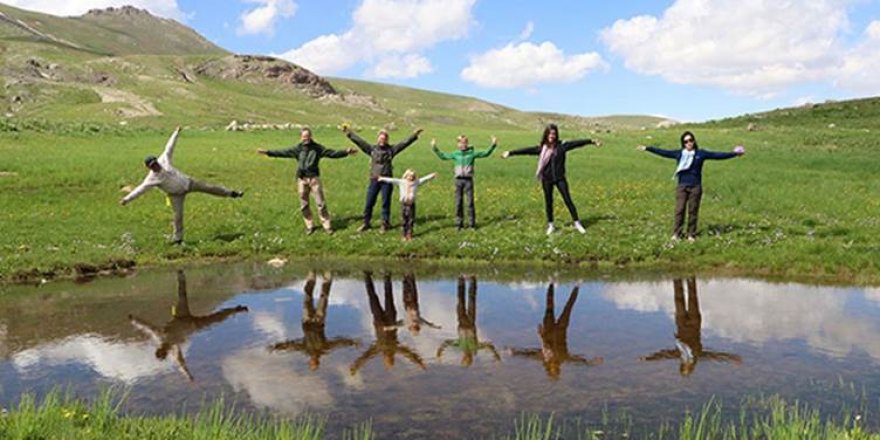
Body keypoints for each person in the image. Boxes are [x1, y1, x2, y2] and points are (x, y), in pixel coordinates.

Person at [120, 126, 243, 244]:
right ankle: (178, 239)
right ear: (149, 168)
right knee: (177, 216)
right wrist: (126, 199)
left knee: (210, 188)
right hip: (175, 195)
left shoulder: (164, 160)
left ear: (157, 161)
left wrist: (176, 132)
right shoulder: (152, 179)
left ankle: (231, 193)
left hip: (188, 183)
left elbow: (169, 146)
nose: (155, 166)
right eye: (152, 166)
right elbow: (140, 189)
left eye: (155, 163)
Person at [128, 270, 248, 381]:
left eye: (161, 351)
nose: (163, 350)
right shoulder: (174, 348)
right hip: (195, 326)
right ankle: (235, 310)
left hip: (181, 316)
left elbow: (147, 327)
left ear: (158, 349)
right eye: (163, 353)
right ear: (165, 354)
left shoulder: (160, 337)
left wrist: (134, 321)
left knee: (182, 297)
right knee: (216, 319)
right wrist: (187, 375)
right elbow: (180, 362)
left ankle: (181, 277)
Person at [638, 131, 745, 241]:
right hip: (682, 186)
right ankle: (677, 234)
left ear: (694, 141)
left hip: (695, 187)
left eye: (690, 140)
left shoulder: (700, 154)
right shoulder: (679, 153)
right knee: (679, 210)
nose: (688, 143)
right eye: (686, 141)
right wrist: (647, 148)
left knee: (693, 211)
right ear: (683, 143)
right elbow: (663, 152)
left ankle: (691, 234)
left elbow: (717, 155)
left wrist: (734, 154)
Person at [502, 123, 601, 235]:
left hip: (560, 178)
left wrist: (591, 141)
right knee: (548, 202)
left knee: (568, 200)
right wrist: (510, 153)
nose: (551, 136)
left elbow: (577, 143)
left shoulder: (562, 146)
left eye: (553, 133)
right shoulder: (542, 148)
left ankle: (577, 223)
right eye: (549, 133)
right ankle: (551, 225)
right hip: (547, 179)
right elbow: (526, 151)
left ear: (556, 135)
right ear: (546, 134)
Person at [257, 127, 357, 234]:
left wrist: (346, 152)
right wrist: (268, 152)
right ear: (301, 137)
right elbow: (283, 152)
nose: (306, 138)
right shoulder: (298, 149)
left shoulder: (317, 148)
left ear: (311, 136)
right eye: (304, 137)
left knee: (320, 203)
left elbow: (332, 153)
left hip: (314, 179)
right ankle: (310, 226)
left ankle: (327, 226)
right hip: (302, 179)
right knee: (304, 204)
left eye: (308, 136)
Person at [640, 278, 742, 376]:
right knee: (693, 298)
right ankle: (691, 279)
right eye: (687, 367)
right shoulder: (698, 354)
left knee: (678, 299)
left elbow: (664, 355)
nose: (686, 364)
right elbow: (714, 356)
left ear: (682, 365)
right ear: (691, 366)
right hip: (694, 323)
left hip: (681, 323)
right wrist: (731, 358)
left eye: (684, 366)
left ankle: (677, 279)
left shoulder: (679, 354)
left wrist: (648, 358)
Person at [508, 283, 603, 380]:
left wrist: (515, 352)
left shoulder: (543, 357)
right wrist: (589, 363)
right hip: (561, 328)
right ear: (558, 368)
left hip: (548, 329)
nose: (554, 366)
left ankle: (551, 283)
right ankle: (577, 285)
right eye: (556, 369)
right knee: (568, 308)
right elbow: (575, 360)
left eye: (553, 369)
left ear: (548, 367)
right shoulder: (562, 358)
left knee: (549, 307)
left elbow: (528, 354)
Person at [269, 270, 359, 371]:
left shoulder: (306, 350)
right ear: (318, 361)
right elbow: (337, 343)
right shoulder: (324, 349)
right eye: (315, 362)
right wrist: (351, 342)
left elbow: (293, 346)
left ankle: (311, 276)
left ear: (309, 361)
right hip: (318, 321)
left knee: (307, 297)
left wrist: (277, 346)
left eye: (312, 362)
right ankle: (327, 276)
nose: (313, 360)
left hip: (307, 321)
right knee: (323, 298)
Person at [342, 125, 423, 232]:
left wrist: (414, 135)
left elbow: (404, 143)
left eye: (384, 139)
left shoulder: (391, 150)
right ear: (378, 139)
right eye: (381, 138)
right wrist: (349, 133)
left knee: (386, 202)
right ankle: (366, 222)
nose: (382, 140)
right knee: (369, 202)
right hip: (374, 179)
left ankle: (385, 223)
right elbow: (360, 142)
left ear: (387, 140)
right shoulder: (372, 149)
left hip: (387, 180)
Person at [350, 271, 426, 374]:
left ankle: (367, 276)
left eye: (388, 360)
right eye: (390, 360)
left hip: (378, 320)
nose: (388, 358)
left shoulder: (378, 348)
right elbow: (407, 353)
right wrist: (418, 362)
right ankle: (387, 276)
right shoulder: (395, 348)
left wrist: (356, 366)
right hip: (390, 318)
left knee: (373, 297)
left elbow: (366, 356)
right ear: (392, 358)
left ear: (384, 359)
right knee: (388, 296)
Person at [431, 135, 497, 229]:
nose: (463, 145)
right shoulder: (455, 154)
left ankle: (471, 224)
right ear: (458, 144)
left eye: (464, 142)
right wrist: (435, 148)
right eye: (461, 143)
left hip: (468, 181)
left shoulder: (472, 154)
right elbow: (443, 156)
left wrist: (493, 145)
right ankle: (459, 224)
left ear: (467, 143)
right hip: (458, 181)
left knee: (470, 203)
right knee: (458, 203)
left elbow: (486, 153)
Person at [436, 275, 500, 367]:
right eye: (466, 359)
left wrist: (440, 351)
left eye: (464, 359)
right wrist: (495, 354)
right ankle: (472, 280)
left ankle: (461, 280)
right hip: (470, 322)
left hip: (461, 322)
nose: (465, 357)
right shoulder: (475, 348)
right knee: (471, 300)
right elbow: (488, 345)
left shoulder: (460, 346)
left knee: (460, 300)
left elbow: (447, 342)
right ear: (470, 358)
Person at [378, 169, 437, 241]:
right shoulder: (401, 182)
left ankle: (409, 234)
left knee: (411, 220)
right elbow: (392, 180)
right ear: (406, 176)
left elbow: (424, 179)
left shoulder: (416, 182)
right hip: (404, 204)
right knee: (403, 220)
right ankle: (403, 234)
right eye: (409, 176)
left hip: (411, 204)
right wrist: (382, 178)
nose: (410, 178)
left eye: (412, 176)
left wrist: (432, 176)